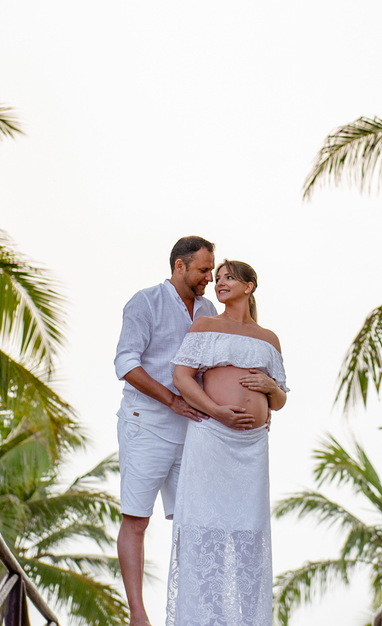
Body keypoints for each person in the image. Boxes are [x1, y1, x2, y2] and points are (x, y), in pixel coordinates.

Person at [166, 260, 288, 626]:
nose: (219, 283)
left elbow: (280, 400)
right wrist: (218, 411)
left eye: (228, 278)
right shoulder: (205, 326)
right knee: (206, 527)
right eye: (216, 279)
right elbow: (181, 377)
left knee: (249, 532)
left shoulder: (269, 338)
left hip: (251, 449)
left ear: (249, 287)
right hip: (211, 437)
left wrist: (270, 389)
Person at [114, 236, 219, 626]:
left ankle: (191, 613)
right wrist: (172, 400)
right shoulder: (145, 302)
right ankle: (138, 615)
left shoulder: (208, 310)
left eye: (211, 269)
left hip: (194, 433)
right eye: (203, 270)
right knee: (137, 520)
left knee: (193, 522)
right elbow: (126, 363)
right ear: (180, 266)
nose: (210, 277)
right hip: (146, 426)